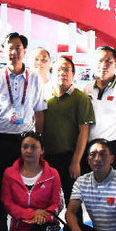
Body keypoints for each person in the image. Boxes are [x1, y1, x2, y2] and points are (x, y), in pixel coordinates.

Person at [0, 32, 48, 231]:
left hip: (25, 143)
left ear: (24, 51)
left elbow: (39, 113)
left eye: (18, 48)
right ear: (3, 51)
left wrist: (39, 144)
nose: (14, 52)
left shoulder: (35, 79)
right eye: (9, 47)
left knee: (27, 195)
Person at [1, 131, 62, 231]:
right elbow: (7, 203)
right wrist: (31, 214)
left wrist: (43, 216)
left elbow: (57, 203)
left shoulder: (53, 174)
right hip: (20, 227)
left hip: (45, 225)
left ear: (42, 150)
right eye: (25, 147)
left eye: (34, 147)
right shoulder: (9, 173)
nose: (29, 151)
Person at [44, 55, 95, 203]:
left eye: (67, 70)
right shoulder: (46, 97)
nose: (63, 73)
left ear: (73, 74)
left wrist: (76, 162)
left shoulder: (81, 98)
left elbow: (84, 132)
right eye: (58, 70)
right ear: (52, 73)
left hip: (71, 158)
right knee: (47, 200)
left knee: (73, 201)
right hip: (48, 157)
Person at [81, 46, 116, 176]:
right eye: (100, 61)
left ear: (115, 64)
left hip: (115, 150)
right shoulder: (87, 89)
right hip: (91, 148)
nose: (103, 65)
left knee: (115, 186)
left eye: (108, 61)